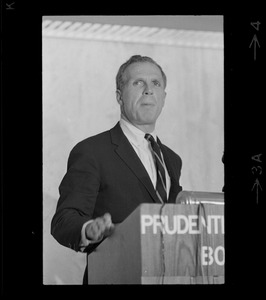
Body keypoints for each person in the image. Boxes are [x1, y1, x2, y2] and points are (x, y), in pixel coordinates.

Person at [51, 55, 183, 284]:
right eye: (138, 83)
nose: (149, 90)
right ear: (119, 97)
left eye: (156, 83)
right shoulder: (92, 151)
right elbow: (64, 220)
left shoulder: (172, 159)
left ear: (163, 98)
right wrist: (90, 229)